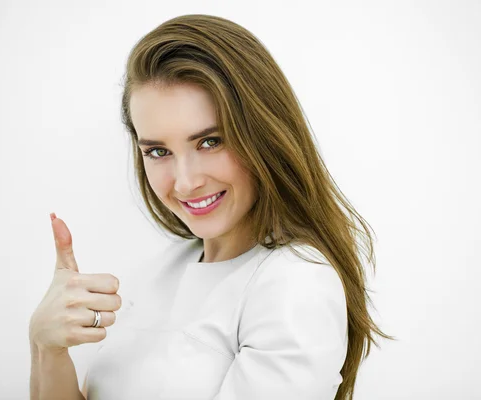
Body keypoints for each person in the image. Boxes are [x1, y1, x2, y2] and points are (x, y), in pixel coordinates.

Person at [29, 14, 393, 400]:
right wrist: (46, 349)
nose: (185, 182)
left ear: (263, 134)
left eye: (210, 142)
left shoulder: (295, 283)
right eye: (158, 151)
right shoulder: (163, 268)